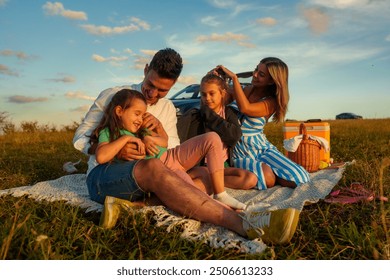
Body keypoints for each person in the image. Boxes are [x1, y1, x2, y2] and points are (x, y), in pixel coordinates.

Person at [73, 48, 300, 244]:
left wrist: (161, 132)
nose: (153, 94)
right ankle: (242, 224)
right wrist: (117, 148)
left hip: (152, 175)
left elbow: (171, 151)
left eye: (163, 90)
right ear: (145, 70)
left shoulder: (167, 109)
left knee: (204, 168)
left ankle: (136, 206)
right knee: (155, 167)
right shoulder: (114, 96)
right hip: (106, 175)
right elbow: (80, 138)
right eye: (150, 85)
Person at [90, 88, 246, 210]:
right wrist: (125, 139)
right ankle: (222, 209)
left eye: (142, 115)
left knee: (212, 138)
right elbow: (101, 157)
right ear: (119, 111)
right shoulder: (110, 133)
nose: (140, 119)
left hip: (173, 156)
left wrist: (149, 138)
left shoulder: (140, 130)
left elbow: (164, 143)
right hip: (165, 170)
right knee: (190, 193)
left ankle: (221, 194)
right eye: (137, 114)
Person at [214, 57, 310, 190]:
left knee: (301, 178)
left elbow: (245, 108)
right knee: (268, 179)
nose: (255, 75)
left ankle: (271, 172)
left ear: (272, 81)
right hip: (240, 149)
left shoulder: (271, 102)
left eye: (261, 74)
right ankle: (267, 173)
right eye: (256, 70)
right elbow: (223, 91)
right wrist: (217, 78)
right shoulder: (248, 90)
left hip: (261, 147)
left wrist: (235, 78)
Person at [178, 73, 257, 190]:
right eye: (204, 95)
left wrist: (209, 115)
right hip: (202, 167)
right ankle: (208, 184)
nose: (207, 98)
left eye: (212, 93)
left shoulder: (228, 113)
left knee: (250, 178)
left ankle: (209, 184)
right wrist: (204, 111)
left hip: (221, 166)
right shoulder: (195, 116)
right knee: (195, 177)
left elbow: (234, 136)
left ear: (222, 94)